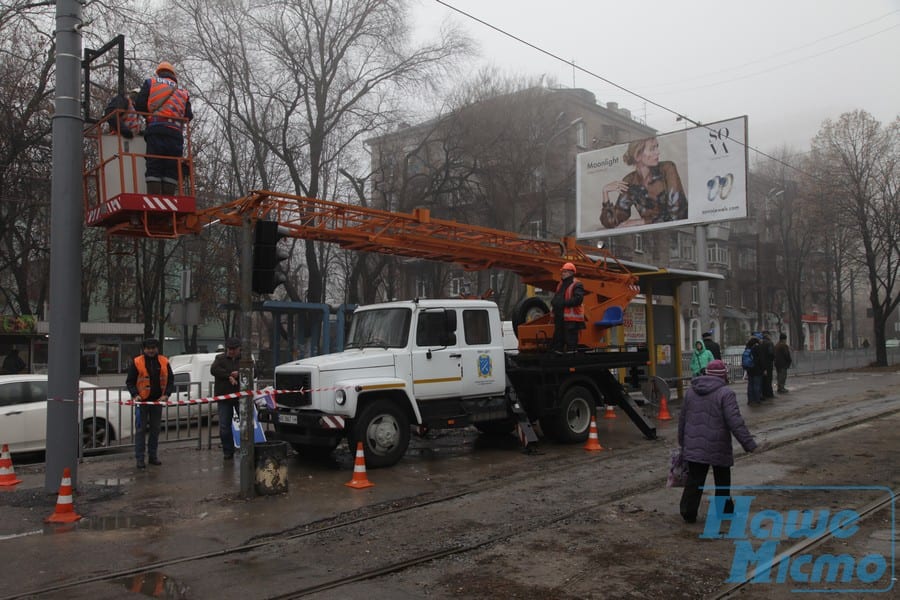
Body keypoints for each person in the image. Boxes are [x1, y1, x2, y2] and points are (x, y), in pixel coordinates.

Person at [678, 359, 758, 524]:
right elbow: (735, 421)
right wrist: (748, 444)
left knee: (694, 479)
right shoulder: (725, 393)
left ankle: (688, 511)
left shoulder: (691, 391)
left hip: (694, 445)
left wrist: (683, 443)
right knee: (722, 479)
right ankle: (723, 511)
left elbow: (683, 419)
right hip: (718, 443)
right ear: (723, 375)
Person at [599, 137, 687, 229]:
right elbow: (612, 222)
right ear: (638, 156)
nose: (658, 152)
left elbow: (678, 214)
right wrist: (605, 192)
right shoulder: (630, 181)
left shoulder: (668, 168)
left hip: (679, 233)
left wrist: (644, 221)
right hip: (650, 236)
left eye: (657, 147)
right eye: (652, 149)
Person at [134, 61, 193, 195]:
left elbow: (140, 105)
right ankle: (168, 199)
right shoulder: (183, 92)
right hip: (175, 134)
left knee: (154, 165)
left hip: (156, 129)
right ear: (173, 75)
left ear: (158, 73)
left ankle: (154, 198)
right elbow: (188, 115)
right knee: (171, 168)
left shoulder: (151, 82)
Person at [126, 338, 174, 469]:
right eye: (148, 348)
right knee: (141, 431)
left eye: (153, 348)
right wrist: (135, 395)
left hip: (157, 401)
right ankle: (140, 459)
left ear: (157, 348)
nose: (151, 350)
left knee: (155, 430)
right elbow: (130, 381)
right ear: (144, 349)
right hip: (142, 402)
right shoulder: (137, 362)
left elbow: (170, 381)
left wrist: (166, 395)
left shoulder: (164, 361)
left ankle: (153, 456)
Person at [211, 337, 242, 460]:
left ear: (239, 349)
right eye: (229, 349)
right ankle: (228, 451)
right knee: (224, 426)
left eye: (234, 349)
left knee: (246, 424)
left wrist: (240, 373)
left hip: (241, 397)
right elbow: (214, 370)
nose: (231, 351)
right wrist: (229, 375)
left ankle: (247, 449)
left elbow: (254, 372)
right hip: (224, 397)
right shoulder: (220, 358)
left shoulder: (245, 359)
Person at [550, 262, 586, 352]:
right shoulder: (560, 285)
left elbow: (578, 299)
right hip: (560, 319)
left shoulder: (577, 284)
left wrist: (563, 303)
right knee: (558, 342)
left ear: (571, 272)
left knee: (571, 343)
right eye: (562, 271)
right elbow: (557, 298)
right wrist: (554, 302)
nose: (562, 273)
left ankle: (570, 361)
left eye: (564, 271)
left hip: (571, 321)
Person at [743, 336, 764, 405]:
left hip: (749, 369)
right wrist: (763, 369)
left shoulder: (747, 348)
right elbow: (760, 360)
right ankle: (757, 399)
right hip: (757, 369)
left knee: (750, 385)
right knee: (757, 385)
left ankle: (750, 400)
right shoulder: (757, 348)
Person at [759, 331, 776, 399]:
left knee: (763, 379)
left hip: (761, 364)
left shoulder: (760, 342)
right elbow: (771, 353)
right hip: (768, 364)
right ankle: (769, 394)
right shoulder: (770, 343)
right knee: (769, 379)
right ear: (768, 335)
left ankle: (764, 393)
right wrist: (772, 359)